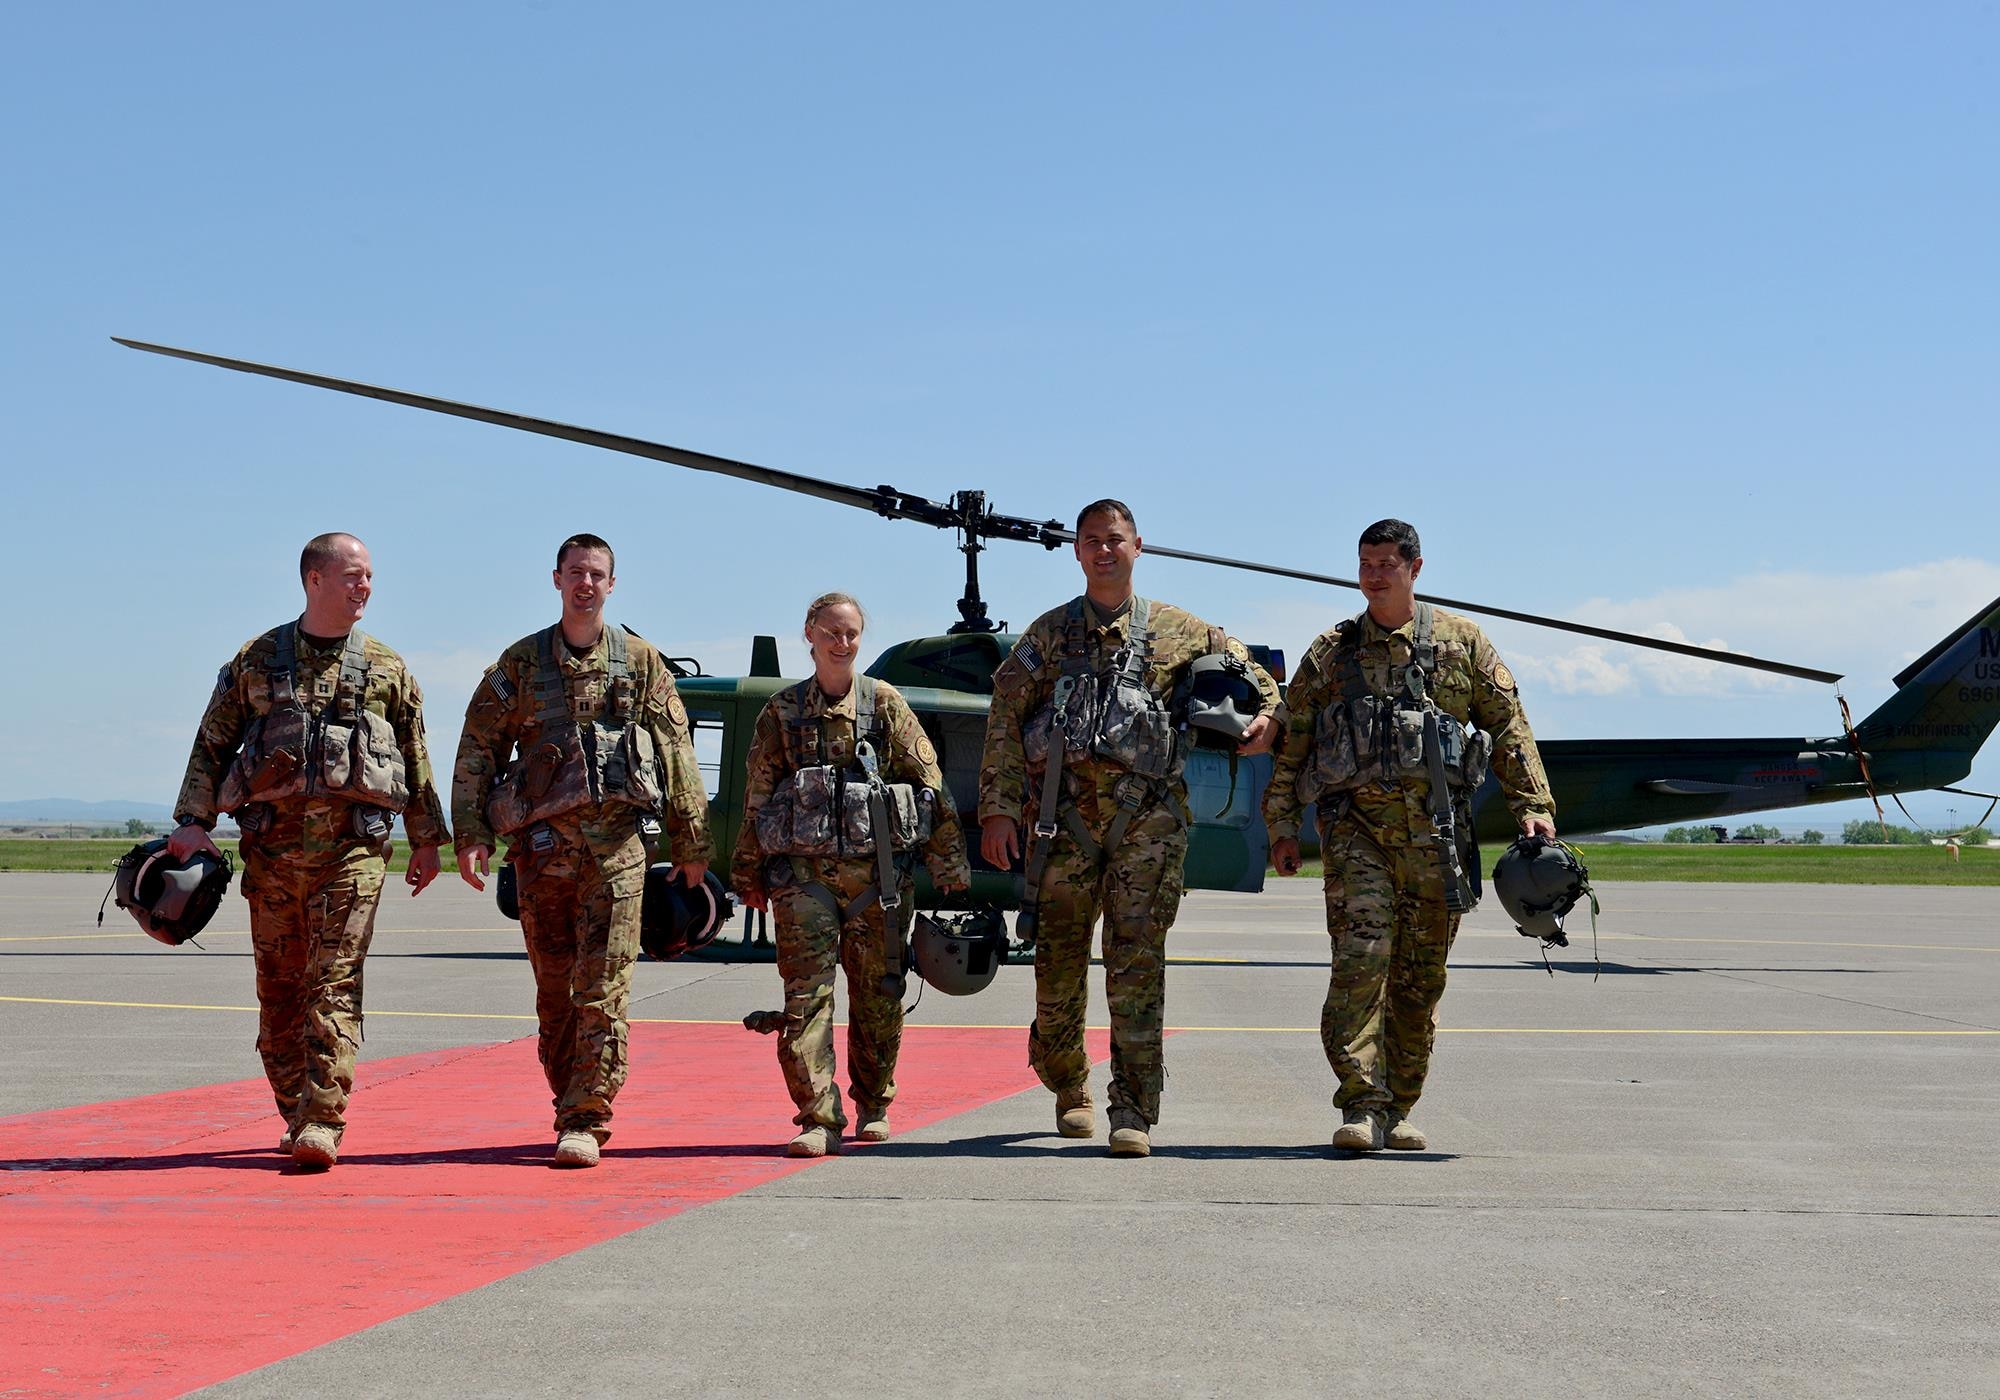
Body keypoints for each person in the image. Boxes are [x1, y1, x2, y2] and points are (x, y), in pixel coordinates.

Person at [978, 500, 1281, 1157]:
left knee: (1137, 969)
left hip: (1149, 828)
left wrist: (1270, 721)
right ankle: (1067, 1086)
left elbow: (1253, 673)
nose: (1104, 551)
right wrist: (999, 808)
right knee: (1055, 975)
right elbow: (1006, 713)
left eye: (1114, 540)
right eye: (1092, 541)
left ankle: (1133, 1111)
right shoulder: (1051, 634)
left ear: (1137, 546)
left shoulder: (1181, 631)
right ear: (1079, 551)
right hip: (1061, 831)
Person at [1265, 518, 1555, 1153]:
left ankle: (1398, 1105)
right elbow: (1295, 745)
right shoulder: (1332, 653)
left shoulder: (1462, 644)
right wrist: (1281, 824)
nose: (1373, 575)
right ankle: (1361, 1103)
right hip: (1356, 834)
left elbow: (1508, 726)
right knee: (1361, 960)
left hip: (1439, 839)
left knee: (1421, 979)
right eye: (1365, 563)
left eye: (1386, 564)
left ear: (1415, 569)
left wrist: (1532, 803)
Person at [168, 532, 450, 1170]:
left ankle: (324, 1118)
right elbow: (213, 743)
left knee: (334, 981)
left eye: (370, 576)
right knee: (279, 993)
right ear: (314, 580)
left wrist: (429, 839)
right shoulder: (257, 659)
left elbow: (415, 755)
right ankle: (296, 1107)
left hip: (353, 852)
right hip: (271, 855)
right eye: (353, 575)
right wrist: (192, 819)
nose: (365, 587)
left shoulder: (386, 667)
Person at [451, 534, 711, 1168]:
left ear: (612, 584)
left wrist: (692, 842)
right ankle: (566, 1096)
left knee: (604, 989)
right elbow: (477, 748)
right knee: (553, 991)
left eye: (596, 574)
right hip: (541, 859)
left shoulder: (642, 663)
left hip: (620, 853)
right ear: (557, 579)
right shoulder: (519, 664)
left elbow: (677, 753)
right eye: (575, 573)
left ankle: (586, 1118)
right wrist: (471, 836)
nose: (585, 584)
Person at [732, 593, 971, 1157]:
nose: (842, 644)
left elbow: (930, 783)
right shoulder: (783, 713)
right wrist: (748, 872)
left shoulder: (884, 705)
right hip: (802, 880)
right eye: (832, 633)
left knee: (879, 996)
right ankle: (818, 1115)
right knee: (805, 998)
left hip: (879, 886)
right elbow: (759, 796)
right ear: (809, 635)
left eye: (852, 634)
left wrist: (950, 861)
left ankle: (874, 1101)